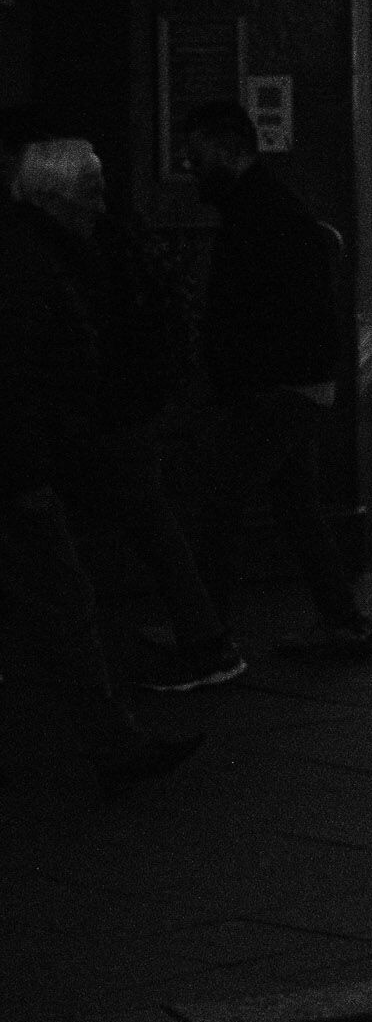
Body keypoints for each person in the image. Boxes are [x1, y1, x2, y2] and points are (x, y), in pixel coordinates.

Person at [0, 145, 202, 793]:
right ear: (51, 199)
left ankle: (111, 740)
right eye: (90, 193)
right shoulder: (32, 264)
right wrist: (33, 469)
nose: (100, 206)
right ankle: (112, 743)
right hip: (22, 471)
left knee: (60, 600)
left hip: (30, 462)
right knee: (63, 600)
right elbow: (20, 377)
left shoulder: (37, 253)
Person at [18, 142, 239, 691]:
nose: (96, 204)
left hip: (104, 413)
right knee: (147, 523)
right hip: (126, 408)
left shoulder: (64, 251)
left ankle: (200, 641)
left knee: (126, 527)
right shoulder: (119, 238)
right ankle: (201, 637)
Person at [179, 102, 372, 658]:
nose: (190, 167)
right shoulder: (270, 205)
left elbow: (256, 310)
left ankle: (207, 636)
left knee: (218, 505)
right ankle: (345, 621)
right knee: (297, 506)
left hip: (276, 386)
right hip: (297, 382)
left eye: (197, 157)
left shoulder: (257, 213)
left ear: (229, 149)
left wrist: (232, 374)